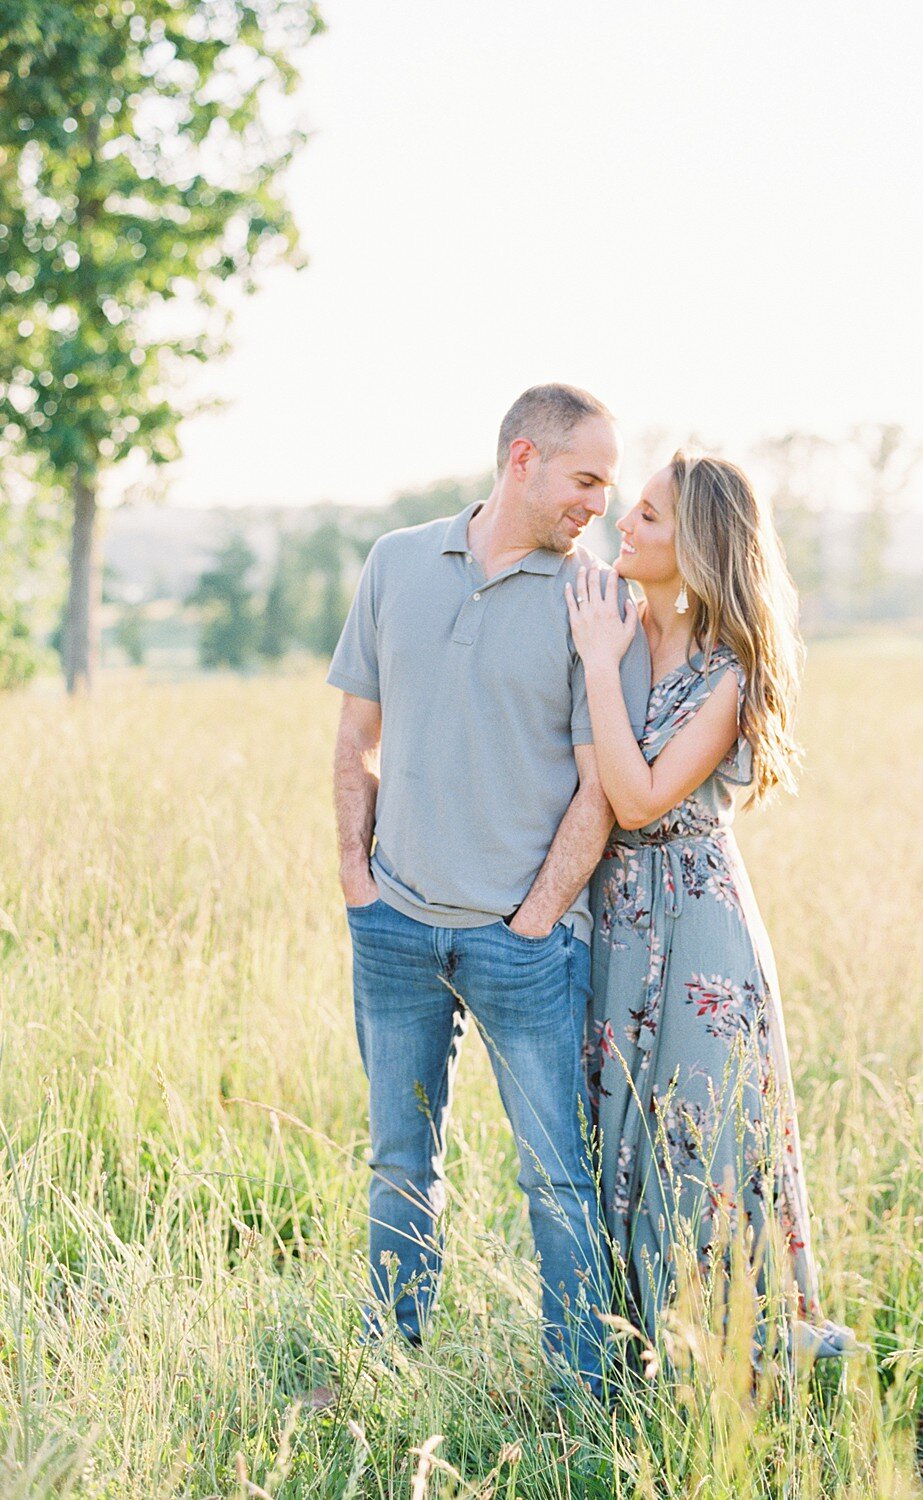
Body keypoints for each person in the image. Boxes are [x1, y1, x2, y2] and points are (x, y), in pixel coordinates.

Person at [327, 384, 651, 1397]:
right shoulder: (396, 563)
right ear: (523, 459)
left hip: (523, 945)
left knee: (555, 1178)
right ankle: (391, 1367)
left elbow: (602, 786)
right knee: (396, 1164)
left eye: (609, 481)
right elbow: (355, 737)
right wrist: (356, 880)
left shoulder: (594, 604)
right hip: (394, 929)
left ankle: (582, 1394)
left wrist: (537, 917)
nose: (600, 501)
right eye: (586, 478)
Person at [566, 450, 859, 1369]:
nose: (625, 520)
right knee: (617, 1134)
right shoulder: (605, 617)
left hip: (696, 925)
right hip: (615, 919)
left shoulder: (725, 675)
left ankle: (746, 1355)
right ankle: (641, 1351)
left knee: (707, 1141)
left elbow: (642, 799)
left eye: (647, 516)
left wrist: (597, 667)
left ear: (692, 551)